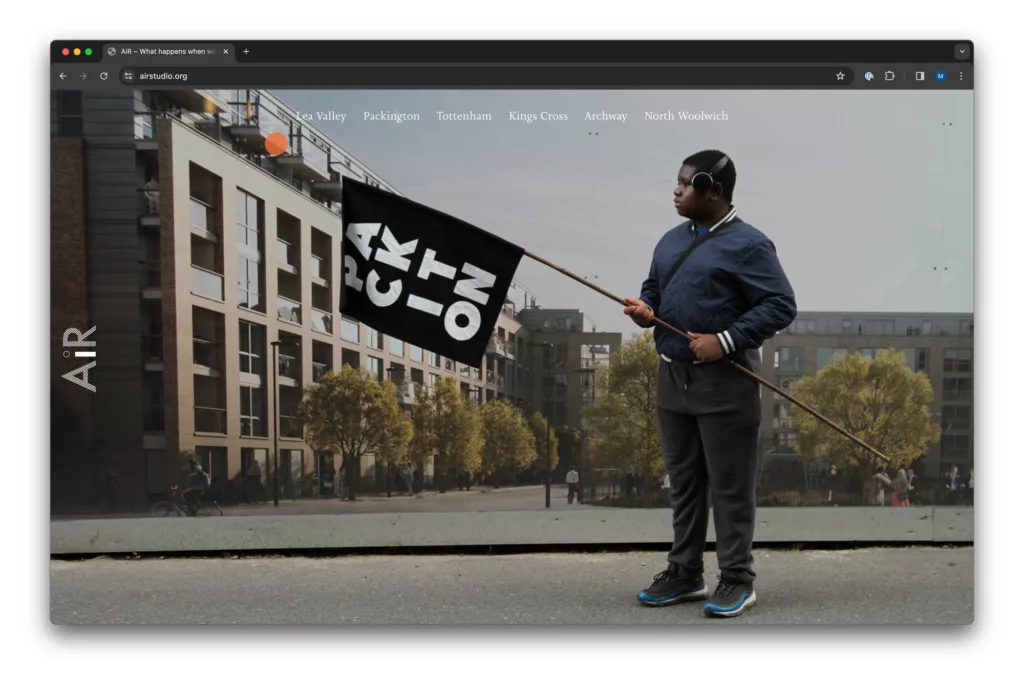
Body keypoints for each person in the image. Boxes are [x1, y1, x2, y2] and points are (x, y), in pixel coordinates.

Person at [624, 150, 797, 619]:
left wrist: (725, 340)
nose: (675, 191)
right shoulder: (668, 241)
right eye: (676, 183)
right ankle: (685, 573)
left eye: (685, 184)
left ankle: (737, 580)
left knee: (730, 487)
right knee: (683, 484)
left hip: (727, 385)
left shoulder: (750, 244)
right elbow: (654, 289)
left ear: (714, 191)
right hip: (672, 379)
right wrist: (646, 310)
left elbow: (780, 304)